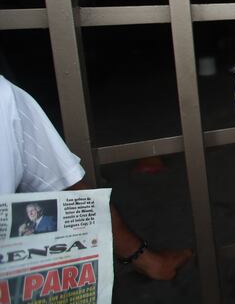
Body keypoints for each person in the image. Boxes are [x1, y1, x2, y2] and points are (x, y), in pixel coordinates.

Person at [1, 74, 194, 280]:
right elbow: (68, 187)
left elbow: (67, 188)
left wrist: (146, 260)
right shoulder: (5, 97)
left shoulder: (5, 98)